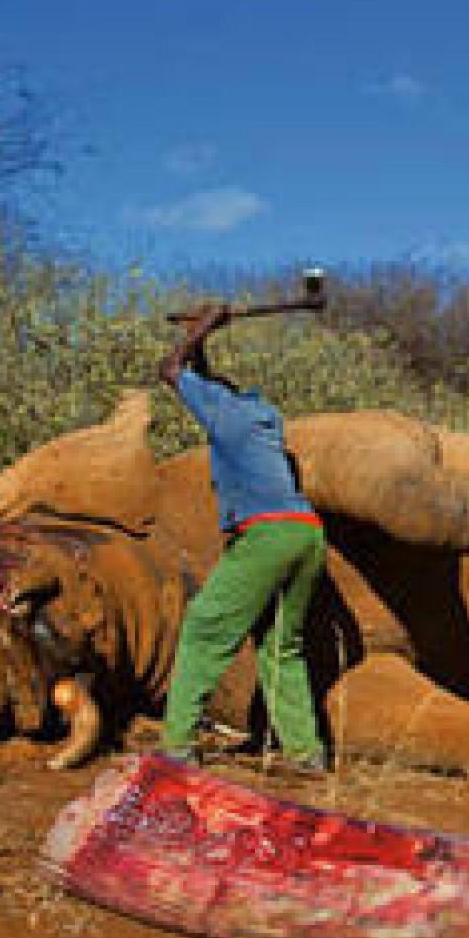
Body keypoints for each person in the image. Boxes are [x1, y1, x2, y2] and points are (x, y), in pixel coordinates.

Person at [156, 303, 329, 774]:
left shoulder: (225, 420)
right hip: (308, 535)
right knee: (280, 646)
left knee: (204, 628)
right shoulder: (259, 417)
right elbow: (202, 379)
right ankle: (305, 752)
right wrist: (202, 338)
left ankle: (176, 746)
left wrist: (208, 322)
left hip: (267, 536)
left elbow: (169, 370)